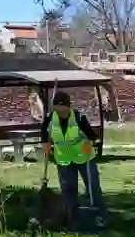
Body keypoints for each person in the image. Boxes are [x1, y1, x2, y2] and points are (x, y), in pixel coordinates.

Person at [40, 90, 106, 226]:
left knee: (93, 187)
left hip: (84, 158)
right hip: (64, 159)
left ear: (68, 107)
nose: (61, 112)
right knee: (68, 189)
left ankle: (99, 216)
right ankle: (72, 217)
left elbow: (92, 136)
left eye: (63, 109)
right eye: (57, 109)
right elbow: (44, 133)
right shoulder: (50, 119)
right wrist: (45, 144)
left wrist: (91, 143)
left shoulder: (79, 118)